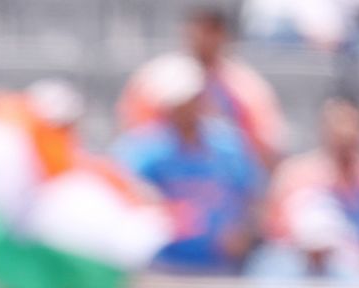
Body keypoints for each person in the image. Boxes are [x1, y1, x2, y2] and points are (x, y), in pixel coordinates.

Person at [112, 54, 263, 273]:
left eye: (192, 99)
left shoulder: (228, 146)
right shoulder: (143, 149)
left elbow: (251, 196)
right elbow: (124, 198)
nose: (186, 108)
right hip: (161, 264)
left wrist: (243, 231)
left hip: (220, 263)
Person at [119, 6, 285, 167]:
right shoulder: (153, 81)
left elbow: (265, 147)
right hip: (161, 180)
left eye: (212, 30)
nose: (204, 38)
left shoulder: (247, 88)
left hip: (224, 181)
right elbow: (135, 137)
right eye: (199, 29)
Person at [267, 97, 359, 272]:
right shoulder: (294, 176)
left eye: (350, 123)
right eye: (337, 123)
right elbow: (276, 233)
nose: (344, 132)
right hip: (300, 269)